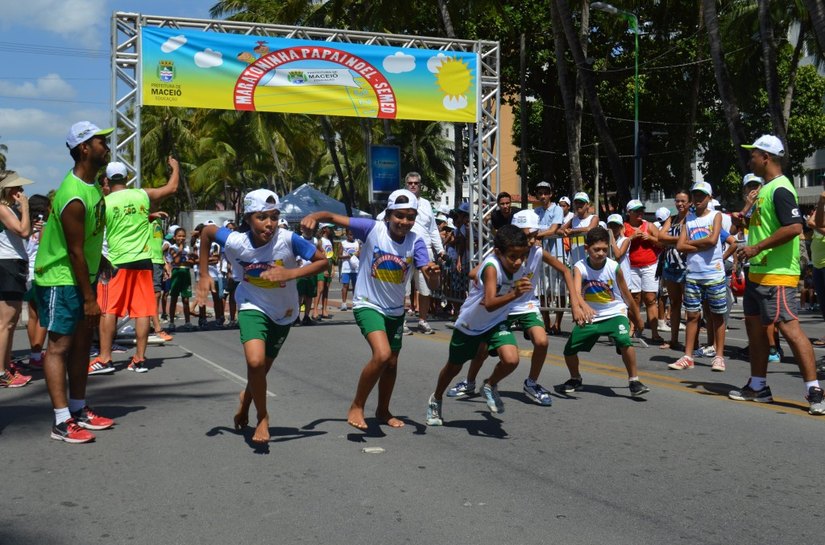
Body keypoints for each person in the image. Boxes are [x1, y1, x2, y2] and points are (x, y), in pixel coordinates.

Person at [197, 189, 327, 444]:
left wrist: (290, 274)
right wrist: (203, 274)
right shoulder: (236, 241)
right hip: (251, 304)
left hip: (283, 312)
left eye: (274, 217)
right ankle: (263, 417)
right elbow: (207, 232)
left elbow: (323, 262)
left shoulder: (288, 240)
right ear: (248, 219)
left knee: (261, 370)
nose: (270, 223)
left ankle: (246, 400)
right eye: (262, 217)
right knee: (255, 363)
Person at [303, 189, 440, 430]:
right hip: (368, 304)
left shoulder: (416, 241)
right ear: (388, 215)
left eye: (410, 217)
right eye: (399, 216)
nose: (404, 222)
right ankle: (357, 405)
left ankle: (383, 410)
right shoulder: (372, 229)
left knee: (392, 363)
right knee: (382, 355)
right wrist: (314, 216)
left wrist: (433, 273)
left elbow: (431, 280)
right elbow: (333, 218)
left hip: (395, 311)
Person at [445, 210, 590, 406]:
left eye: (534, 235)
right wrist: (488, 283)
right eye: (526, 236)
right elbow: (473, 273)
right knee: (482, 349)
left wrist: (576, 303)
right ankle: (470, 382)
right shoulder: (502, 255)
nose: (531, 241)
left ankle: (531, 383)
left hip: (527, 304)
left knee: (542, 341)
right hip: (504, 305)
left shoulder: (538, 252)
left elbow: (565, 270)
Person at [730, 135, 824, 414]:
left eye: (753, 155)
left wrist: (756, 247)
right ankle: (758, 386)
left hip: (777, 274)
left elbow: (794, 227)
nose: (750, 160)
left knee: (790, 330)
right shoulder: (764, 189)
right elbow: (766, 226)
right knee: (756, 332)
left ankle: (814, 391)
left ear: (766, 158)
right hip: (758, 272)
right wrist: (745, 223)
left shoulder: (781, 188)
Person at [35, 121, 114, 443]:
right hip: (61, 278)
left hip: (82, 277)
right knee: (59, 347)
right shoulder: (74, 195)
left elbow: (88, 240)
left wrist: (102, 261)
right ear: (84, 148)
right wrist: (90, 298)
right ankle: (61, 420)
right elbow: (74, 250)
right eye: (100, 142)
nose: (106, 147)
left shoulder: (93, 187)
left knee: (82, 345)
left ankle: (79, 409)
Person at [426, 225, 532, 426]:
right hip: (470, 324)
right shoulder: (492, 268)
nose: (518, 262)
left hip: (496, 321)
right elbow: (490, 303)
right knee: (453, 368)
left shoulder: (516, 267)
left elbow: (473, 273)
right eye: (513, 257)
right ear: (498, 253)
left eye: (522, 256)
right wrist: (513, 293)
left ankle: (489, 385)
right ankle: (436, 398)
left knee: (511, 360)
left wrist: (481, 279)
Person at [88, 158, 179, 375]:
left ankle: (105, 359)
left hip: (116, 262)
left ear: (107, 180)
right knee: (142, 311)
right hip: (144, 263)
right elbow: (172, 188)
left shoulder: (104, 202)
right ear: (127, 178)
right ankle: (139, 359)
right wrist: (175, 168)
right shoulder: (141, 195)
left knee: (108, 310)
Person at [560, 227, 650, 397]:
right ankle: (575, 378)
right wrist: (582, 307)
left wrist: (637, 318)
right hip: (591, 315)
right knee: (569, 349)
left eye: (604, 249)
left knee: (624, 340)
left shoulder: (614, 267)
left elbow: (627, 295)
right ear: (586, 248)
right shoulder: (580, 267)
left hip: (614, 311)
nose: (601, 253)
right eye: (596, 249)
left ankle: (634, 381)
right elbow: (576, 292)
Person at [668, 182, 728, 372]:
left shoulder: (715, 216)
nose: (698, 198)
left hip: (714, 273)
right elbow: (680, 246)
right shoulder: (689, 219)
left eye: (702, 195)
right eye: (696, 195)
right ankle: (688, 356)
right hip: (693, 274)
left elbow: (713, 240)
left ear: (709, 197)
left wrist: (691, 243)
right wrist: (701, 244)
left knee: (717, 315)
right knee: (692, 315)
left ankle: (719, 356)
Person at [0, 172, 33, 388]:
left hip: (14, 264)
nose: (21, 192)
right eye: (17, 188)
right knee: (6, 323)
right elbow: (23, 231)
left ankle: (6, 366)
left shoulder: (9, 208)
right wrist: (26, 208)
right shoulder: (3, 208)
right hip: (7, 264)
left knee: (10, 323)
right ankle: (1, 372)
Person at [401, 172, 445, 335]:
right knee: (403, 288)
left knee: (425, 289)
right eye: (410, 183)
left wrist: (440, 250)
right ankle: (401, 322)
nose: (413, 185)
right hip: (405, 248)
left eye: (416, 183)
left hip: (425, 250)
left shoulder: (426, 204)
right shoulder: (400, 201)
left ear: (420, 185)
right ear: (406, 184)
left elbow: (433, 229)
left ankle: (423, 321)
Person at [624, 199, 664, 343]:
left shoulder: (649, 226)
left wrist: (650, 237)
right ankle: (632, 328)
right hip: (632, 267)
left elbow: (662, 243)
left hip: (650, 265)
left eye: (641, 210)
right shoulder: (624, 227)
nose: (640, 213)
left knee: (650, 298)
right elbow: (618, 244)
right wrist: (631, 238)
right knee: (634, 298)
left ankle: (654, 332)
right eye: (636, 211)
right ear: (629, 213)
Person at [656, 191, 690, 350]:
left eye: (683, 201)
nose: (680, 204)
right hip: (670, 265)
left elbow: (691, 239)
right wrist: (680, 239)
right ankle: (674, 339)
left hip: (686, 266)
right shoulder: (672, 218)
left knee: (690, 306)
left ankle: (692, 342)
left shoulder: (692, 219)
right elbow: (660, 237)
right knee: (674, 303)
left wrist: (670, 240)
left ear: (689, 202)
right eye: (677, 201)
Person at [533, 181, 566, 334]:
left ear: (551, 194)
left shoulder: (557, 209)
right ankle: (546, 323)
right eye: (540, 193)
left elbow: (553, 229)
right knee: (542, 290)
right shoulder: (536, 211)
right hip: (540, 255)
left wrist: (538, 234)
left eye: (546, 193)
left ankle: (557, 324)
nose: (543, 196)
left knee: (559, 290)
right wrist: (540, 233)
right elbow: (532, 229)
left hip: (556, 255)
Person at [23, 194, 51, 370]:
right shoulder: (45, 227)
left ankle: (34, 352)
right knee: (43, 316)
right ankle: (35, 355)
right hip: (41, 274)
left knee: (33, 316)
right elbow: (45, 250)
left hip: (26, 275)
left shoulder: (24, 225)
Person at [560, 191, 599, 267]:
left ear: (587, 205)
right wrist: (564, 231)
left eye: (581, 203)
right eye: (576, 203)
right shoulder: (573, 220)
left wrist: (572, 231)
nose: (578, 205)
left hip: (590, 259)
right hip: (575, 259)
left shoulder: (594, 218)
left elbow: (589, 229)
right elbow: (561, 229)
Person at [168, 227, 195, 331]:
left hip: (185, 273)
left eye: (183, 236)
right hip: (176, 273)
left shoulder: (187, 248)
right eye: (179, 236)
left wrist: (190, 259)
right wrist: (180, 249)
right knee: (174, 299)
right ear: (174, 237)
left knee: (186, 299)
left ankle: (187, 321)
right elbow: (176, 260)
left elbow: (190, 262)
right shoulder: (172, 248)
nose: (181, 238)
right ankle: (171, 322)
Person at [338, 228, 360, 311]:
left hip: (355, 268)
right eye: (350, 234)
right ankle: (344, 303)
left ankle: (355, 303)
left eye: (353, 234)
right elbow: (339, 256)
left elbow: (360, 253)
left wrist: (358, 254)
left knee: (355, 286)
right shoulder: (343, 243)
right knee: (345, 285)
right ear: (347, 234)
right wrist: (348, 256)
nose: (352, 236)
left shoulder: (357, 243)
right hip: (346, 268)